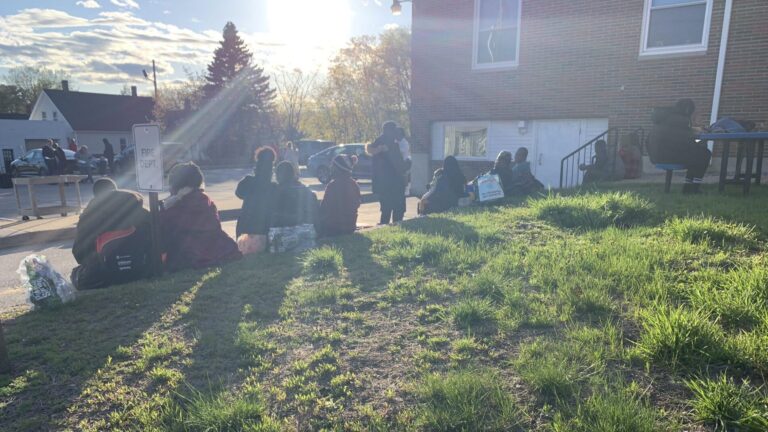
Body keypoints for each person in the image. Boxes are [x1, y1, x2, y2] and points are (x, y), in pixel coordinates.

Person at [71, 178, 150, 290]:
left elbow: (79, 252)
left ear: (96, 196)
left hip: (106, 276)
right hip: (141, 269)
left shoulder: (89, 217)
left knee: (75, 274)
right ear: (116, 190)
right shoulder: (141, 210)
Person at [160, 162, 241, 271]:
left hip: (188, 255)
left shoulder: (175, 206)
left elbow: (163, 232)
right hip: (217, 249)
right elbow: (216, 227)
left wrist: (164, 208)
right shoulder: (206, 200)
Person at [648, 98, 711, 194]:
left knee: (696, 154)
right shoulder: (681, 120)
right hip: (668, 156)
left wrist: (692, 131)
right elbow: (689, 141)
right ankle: (693, 188)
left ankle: (688, 187)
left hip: (657, 155)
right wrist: (700, 140)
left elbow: (678, 137)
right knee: (704, 154)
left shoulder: (667, 117)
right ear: (688, 110)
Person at [236, 147, 278, 246]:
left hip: (244, 230)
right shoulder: (274, 188)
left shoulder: (247, 182)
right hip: (265, 232)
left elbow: (238, 193)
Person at [369, 121, 408, 224]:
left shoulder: (378, 144)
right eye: (394, 130)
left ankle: (384, 228)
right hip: (394, 184)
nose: (396, 132)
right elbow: (399, 165)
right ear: (389, 131)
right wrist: (408, 163)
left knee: (386, 211)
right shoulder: (391, 144)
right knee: (397, 210)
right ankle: (395, 230)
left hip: (383, 185)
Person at [317, 154, 361, 237]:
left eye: (333, 165)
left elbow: (324, 208)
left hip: (334, 228)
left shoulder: (333, 186)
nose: (330, 167)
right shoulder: (354, 184)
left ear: (338, 168)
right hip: (350, 226)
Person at [272, 161, 318, 228]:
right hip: (306, 230)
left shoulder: (278, 192)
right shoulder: (305, 189)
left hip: (285, 231)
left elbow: (274, 217)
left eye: (276, 174)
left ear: (280, 175)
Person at [396, 127, 412, 195]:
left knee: (403, 178)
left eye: (398, 133)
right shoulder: (395, 141)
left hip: (403, 163)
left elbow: (401, 151)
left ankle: (405, 190)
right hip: (397, 164)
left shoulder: (404, 142)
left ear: (402, 134)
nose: (397, 134)